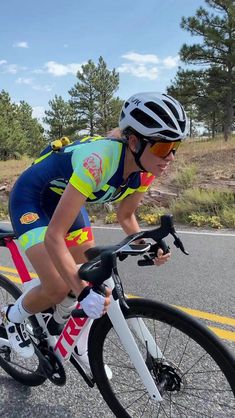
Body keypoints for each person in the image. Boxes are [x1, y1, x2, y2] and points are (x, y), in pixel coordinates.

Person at [0, 92, 188, 360]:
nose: (170, 157)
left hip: (66, 201)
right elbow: (54, 236)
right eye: (161, 148)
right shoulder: (99, 161)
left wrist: (147, 244)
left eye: (175, 147)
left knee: (93, 271)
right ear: (134, 142)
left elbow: (126, 216)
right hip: (32, 198)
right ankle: (11, 317)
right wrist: (81, 291)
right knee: (57, 286)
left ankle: (76, 335)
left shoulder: (147, 169)